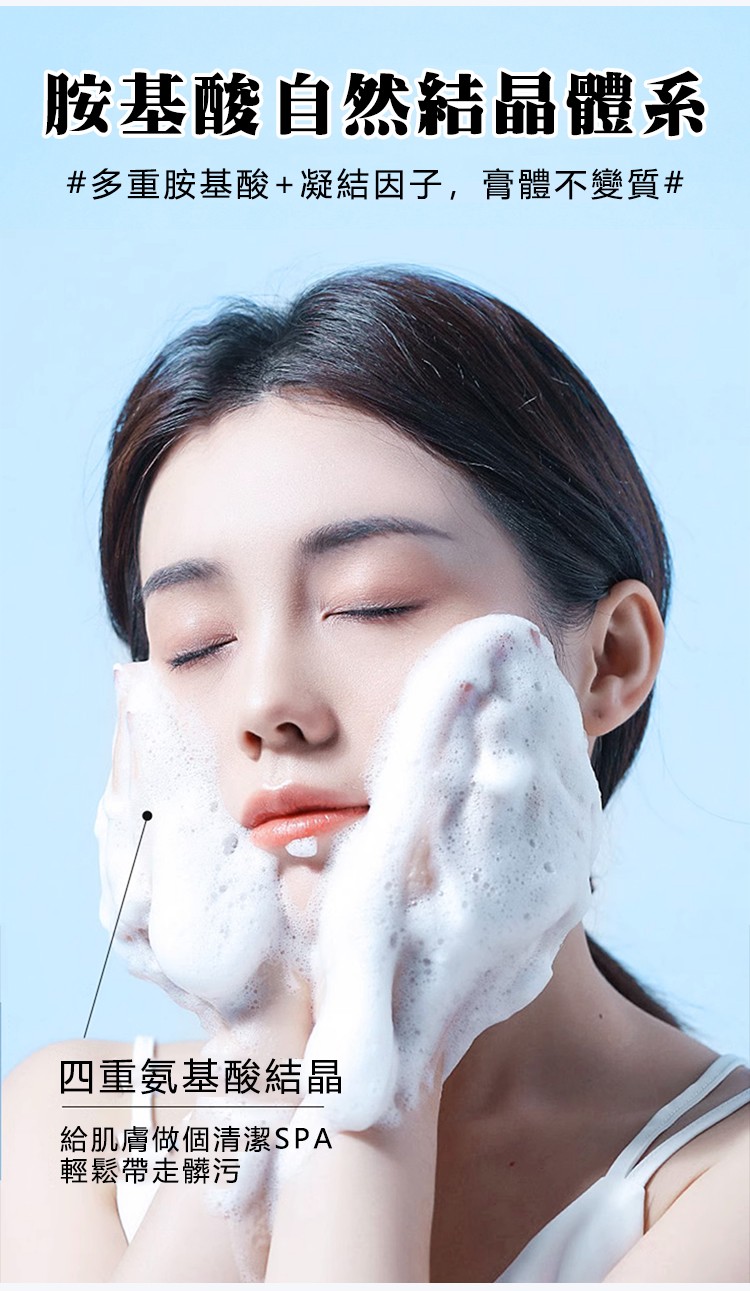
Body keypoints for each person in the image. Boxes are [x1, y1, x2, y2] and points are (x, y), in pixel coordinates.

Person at [1, 267, 747, 1284]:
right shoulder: (65, 1126)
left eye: (373, 603)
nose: (269, 702)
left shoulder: (726, 1183)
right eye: (196, 641)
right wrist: (259, 1042)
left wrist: (383, 1041)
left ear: (609, 659)